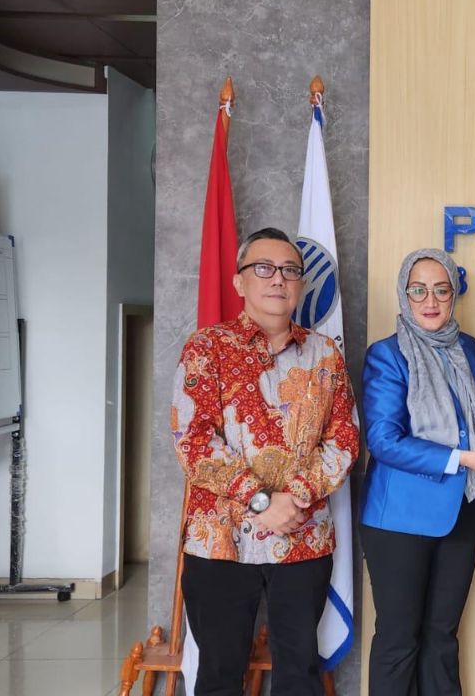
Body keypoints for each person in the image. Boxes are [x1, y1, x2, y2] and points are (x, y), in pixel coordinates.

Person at [172, 227, 360, 696]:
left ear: (301, 284)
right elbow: (193, 441)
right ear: (239, 281)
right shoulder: (206, 348)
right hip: (220, 541)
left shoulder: (325, 355)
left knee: (299, 672)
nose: (278, 279)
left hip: (301, 537)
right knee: (218, 675)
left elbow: (344, 439)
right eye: (264, 268)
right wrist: (261, 500)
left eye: (290, 270)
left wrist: (292, 499)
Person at [359, 248, 475, 696]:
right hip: (399, 519)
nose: (430, 300)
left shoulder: (468, 348)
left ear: (454, 294)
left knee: (442, 638)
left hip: (461, 509)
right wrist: (461, 459)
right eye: (418, 290)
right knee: (399, 640)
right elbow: (384, 441)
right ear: (404, 294)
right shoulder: (387, 355)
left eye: (441, 290)